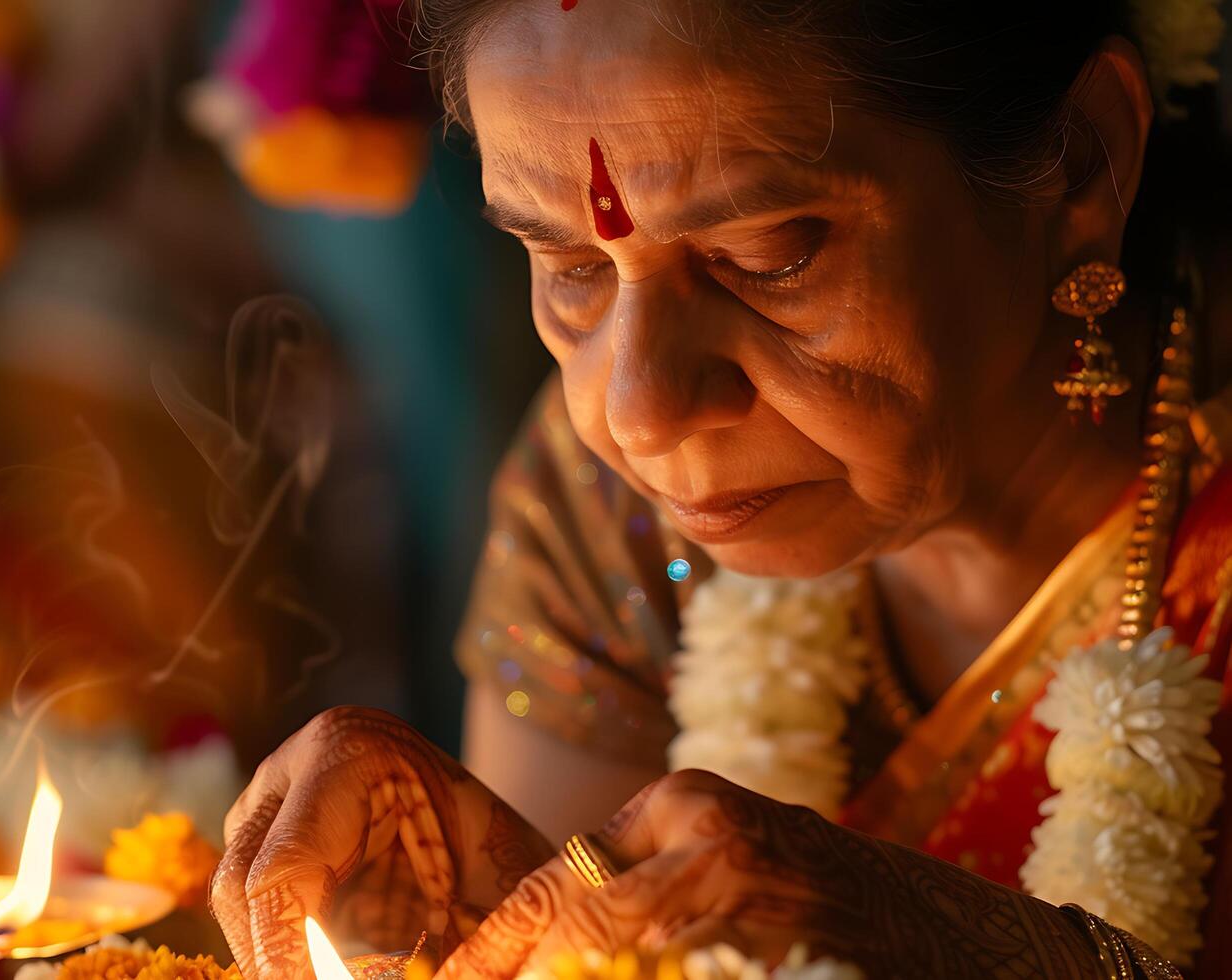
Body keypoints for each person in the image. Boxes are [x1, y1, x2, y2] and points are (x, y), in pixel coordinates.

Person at [207, 0, 1232, 977]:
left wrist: (979, 950)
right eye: (569, 266)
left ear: (1081, 165)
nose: (636, 406)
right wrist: (491, 885)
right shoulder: (612, 509)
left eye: (765, 253)